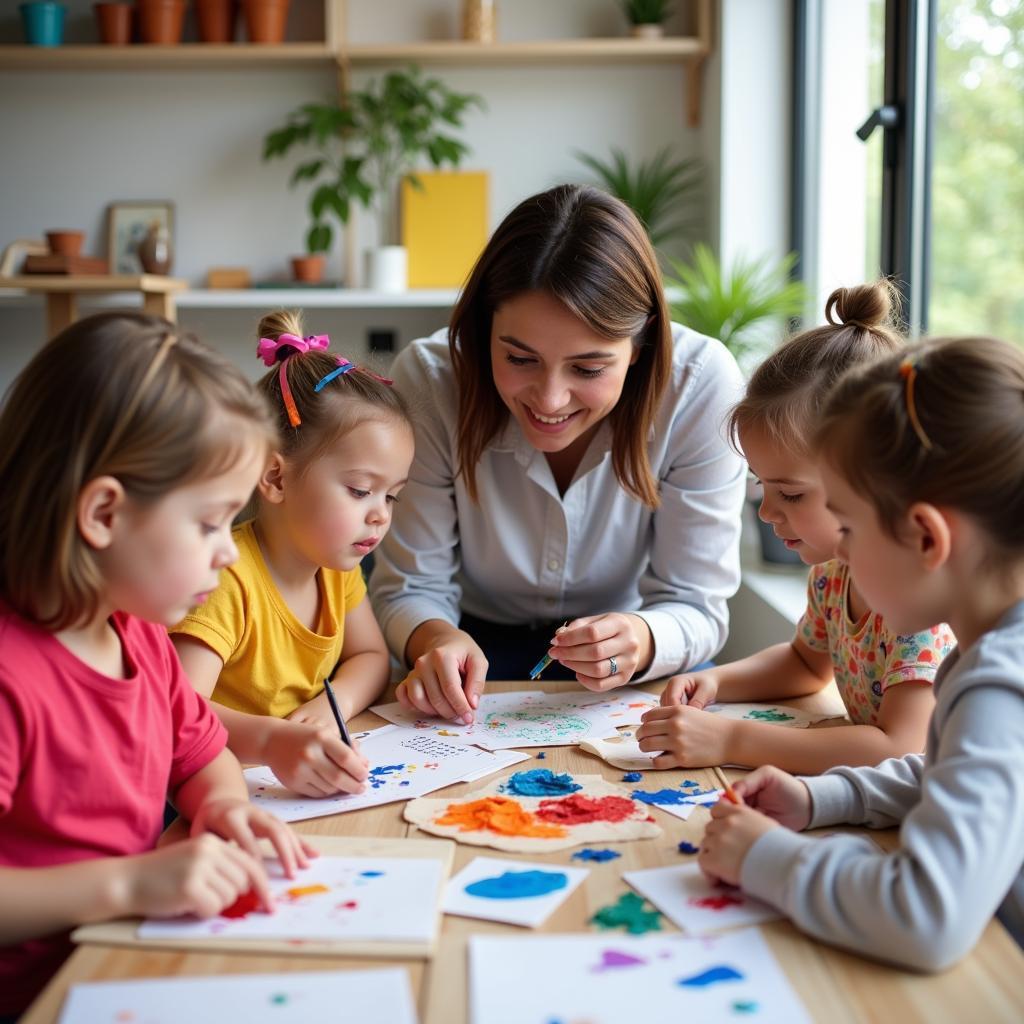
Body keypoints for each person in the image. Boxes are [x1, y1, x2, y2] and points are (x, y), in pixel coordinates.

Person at [0, 313, 315, 1020]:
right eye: (209, 524)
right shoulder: (10, 676)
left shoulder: (139, 634)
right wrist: (132, 885)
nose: (230, 552)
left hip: (130, 963)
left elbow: (202, 756)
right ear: (104, 513)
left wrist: (226, 807)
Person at [698, 335, 1024, 970]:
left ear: (927, 538)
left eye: (847, 529)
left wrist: (765, 858)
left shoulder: (999, 686)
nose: (839, 556)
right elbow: (942, 771)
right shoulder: (990, 654)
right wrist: (825, 798)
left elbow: (926, 918)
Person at [369, 184, 747, 724]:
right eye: (519, 358)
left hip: (634, 652)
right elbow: (411, 585)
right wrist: (433, 638)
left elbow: (696, 602)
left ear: (638, 349)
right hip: (471, 643)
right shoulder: (431, 380)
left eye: (589, 369)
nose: (549, 401)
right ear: (484, 332)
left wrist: (642, 636)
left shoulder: (699, 384)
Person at [638, 282, 954, 773]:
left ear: (874, 479)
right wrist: (717, 682)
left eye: (790, 493)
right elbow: (807, 665)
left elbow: (901, 748)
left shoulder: (919, 603)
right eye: (762, 486)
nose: (766, 513)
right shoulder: (834, 574)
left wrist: (733, 740)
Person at [172, 310, 413, 798]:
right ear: (276, 478)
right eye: (360, 490)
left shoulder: (335, 567)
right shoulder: (224, 579)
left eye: (391, 496)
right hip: (215, 795)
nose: (380, 516)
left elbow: (370, 656)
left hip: (291, 785)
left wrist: (336, 703)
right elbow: (178, 712)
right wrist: (273, 739)